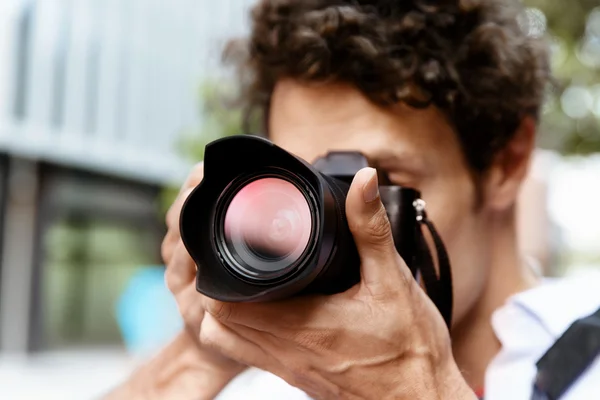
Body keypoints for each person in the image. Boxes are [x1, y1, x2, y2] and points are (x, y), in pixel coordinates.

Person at [105, 1, 600, 399]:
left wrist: (415, 388)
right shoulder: (285, 376)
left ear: (507, 163)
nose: (324, 223)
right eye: (307, 184)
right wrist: (199, 356)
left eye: (377, 181)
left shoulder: (587, 362)